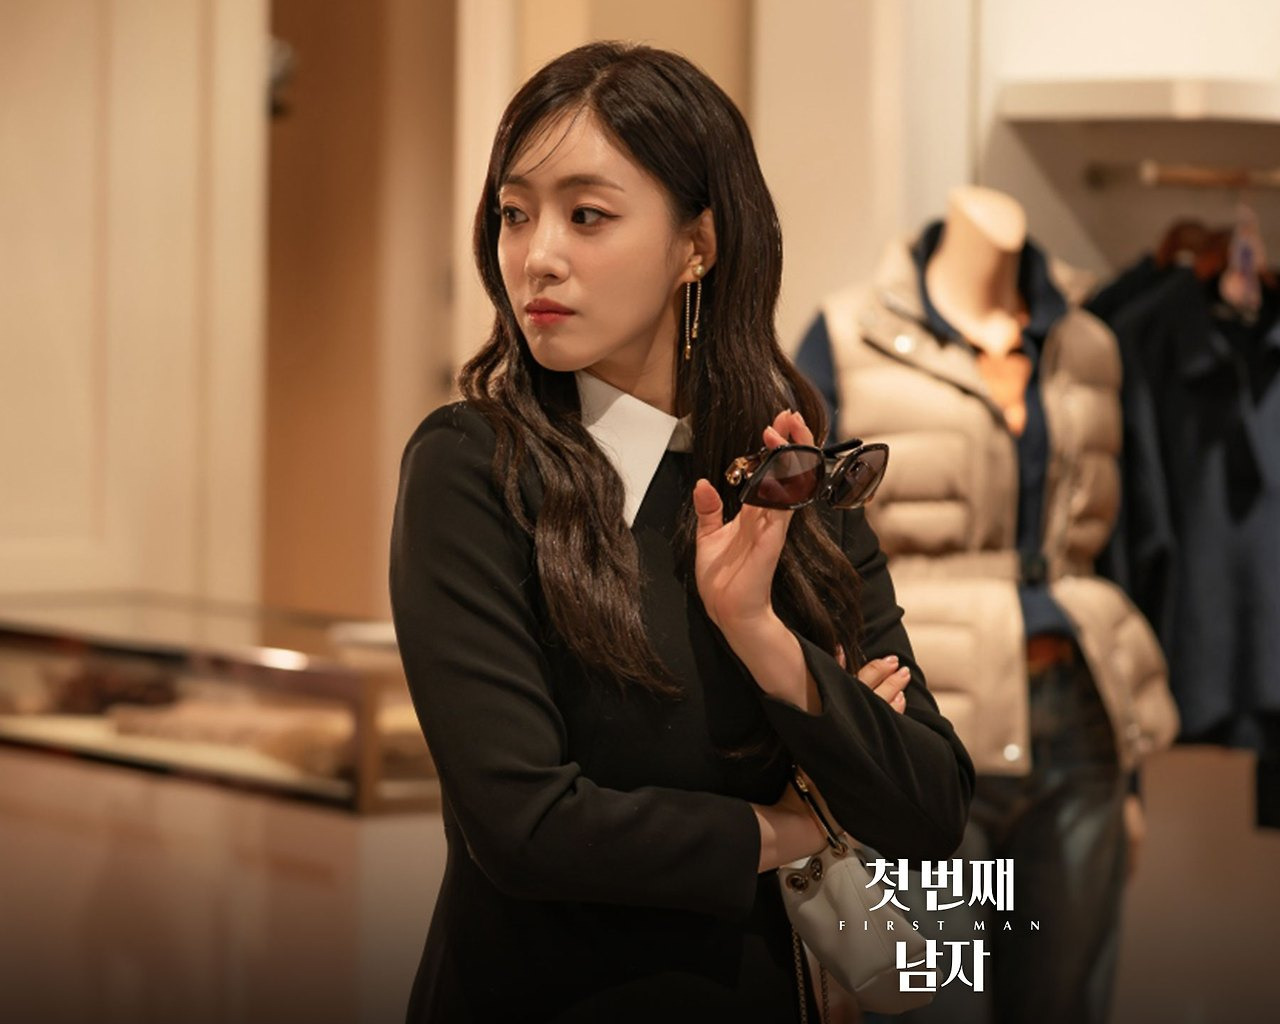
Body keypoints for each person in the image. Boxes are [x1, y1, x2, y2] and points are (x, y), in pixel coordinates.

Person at [389, 42, 974, 1024]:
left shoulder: (787, 477)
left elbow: (929, 808)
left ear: (696, 244)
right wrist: (790, 826)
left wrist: (762, 637)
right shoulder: (472, 467)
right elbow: (526, 827)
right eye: (514, 213)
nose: (538, 255)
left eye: (587, 215)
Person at [795, 186, 1180, 1024]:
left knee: (1067, 1004)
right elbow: (808, 551)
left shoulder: (1088, 343)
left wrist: (1132, 777)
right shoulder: (850, 335)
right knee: (930, 1002)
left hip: (1080, 726)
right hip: (922, 722)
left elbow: (1125, 544)